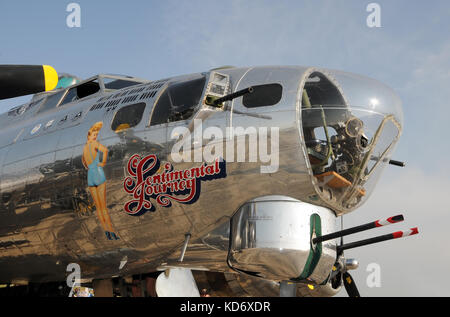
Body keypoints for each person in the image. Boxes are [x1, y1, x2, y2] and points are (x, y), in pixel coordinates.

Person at [82, 121, 119, 240]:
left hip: (90, 175)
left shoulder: (85, 147)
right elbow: (106, 150)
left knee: (98, 207)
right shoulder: (94, 144)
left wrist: (88, 166)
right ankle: (111, 231)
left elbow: (83, 161)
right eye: (94, 135)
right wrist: (102, 162)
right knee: (103, 207)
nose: (95, 137)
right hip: (98, 172)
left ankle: (107, 231)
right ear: (90, 135)